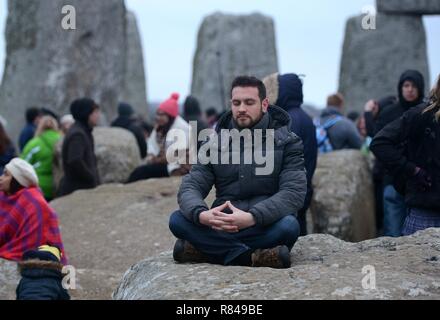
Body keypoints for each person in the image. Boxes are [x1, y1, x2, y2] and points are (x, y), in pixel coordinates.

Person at [169, 76, 307, 269]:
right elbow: (192, 184)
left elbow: (293, 193)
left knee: (289, 226)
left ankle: (208, 251)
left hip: (261, 225)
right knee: (177, 220)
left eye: (249, 102)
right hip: (222, 226)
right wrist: (202, 215)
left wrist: (252, 217)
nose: (242, 108)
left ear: (264, 104)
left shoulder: (288, 142)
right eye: (236, 103)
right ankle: (250, 256)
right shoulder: (214, 143)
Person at [370, 75, 439, 236]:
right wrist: (411, 169)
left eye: (414, 86)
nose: (410, 89)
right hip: (421, 199)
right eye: (406, 85)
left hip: (419, 191)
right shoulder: (419, 114)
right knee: (394, 234)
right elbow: (378, 139)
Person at [0, 158, 69, 300]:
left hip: (32, 252)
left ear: (17, 180)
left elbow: (38, 235)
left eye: (6, 175)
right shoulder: (5, 196)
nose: (1, 178)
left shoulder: (33, 201)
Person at [263, 73, 317, 236]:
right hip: (301, 189)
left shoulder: (289, 121)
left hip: (288, 193)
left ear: (281, 92)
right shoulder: (303, 117)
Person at [127, 93, 190, 183]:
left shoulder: (182, 129)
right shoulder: (161, 127)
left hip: (179, 168)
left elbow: (175, 156)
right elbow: (152, 144)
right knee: (139, 172)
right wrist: (151, 156)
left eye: (162, 115)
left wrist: (155, 160)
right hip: (166, 163)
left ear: (170, 116)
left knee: (141, 172)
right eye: (158, 114)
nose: (158, 117)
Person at [58, 98, 100, 197]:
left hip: (81, 189)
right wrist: (91, 177)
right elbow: (75, 160)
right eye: (95, 112)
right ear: (86, 113)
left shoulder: (83, 131)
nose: (98, 115)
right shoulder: (78, 135)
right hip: (77, 190)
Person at [21, 116, 62, 201]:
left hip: (39, 186)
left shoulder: (34, 144)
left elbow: (22, 165)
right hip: (58, 184)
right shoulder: (61, 140)